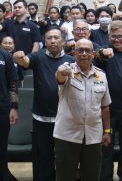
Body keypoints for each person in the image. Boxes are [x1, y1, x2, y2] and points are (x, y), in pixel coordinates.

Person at [13, 27, 75, 181]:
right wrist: (20, 58)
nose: (53, 41)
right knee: (44, 157)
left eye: (56, 37)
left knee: (65, 157)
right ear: (44, 41)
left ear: (63, 40)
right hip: (42, 118)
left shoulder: (72, 61)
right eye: (49, 38)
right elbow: (26, 62)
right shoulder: (38, 57)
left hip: (66, 118)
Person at [54, 39, 111, 181]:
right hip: (67, 134)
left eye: (87, 50)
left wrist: (107, 131)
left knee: (92, 176)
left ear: (93, 54)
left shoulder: (101, 75)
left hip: (93, 135)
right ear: (74, 53)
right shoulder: (67, 70)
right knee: (65, 176)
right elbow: (59, 78)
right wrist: (61, 72)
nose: (84, 53)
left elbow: (105, 106)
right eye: (80, 50)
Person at [95, 20, 122, 181]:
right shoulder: (103, 55)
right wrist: (102, 53)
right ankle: (105, 177)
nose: (117, 39)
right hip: (107, 111)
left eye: (120, 36)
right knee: (106, 148)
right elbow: (97, 55)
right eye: (113, 36)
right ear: (108, 36)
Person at [0, 46, 18, 181]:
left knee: (1, 146)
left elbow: (13, 82)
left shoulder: (5, 55)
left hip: (2, 108)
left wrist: (14, 107)